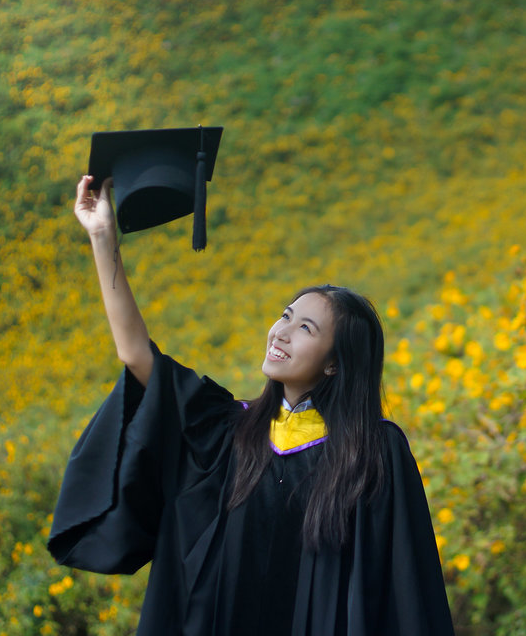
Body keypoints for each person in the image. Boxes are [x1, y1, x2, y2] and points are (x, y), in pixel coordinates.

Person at [48, 175, 455, 635]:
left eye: (305, 329)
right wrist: (102, 236)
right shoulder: (227, 432)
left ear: (335, 365)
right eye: (285, 316)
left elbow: (403, 591)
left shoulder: (373, 453)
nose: (280, 332)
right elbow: (139, 357)